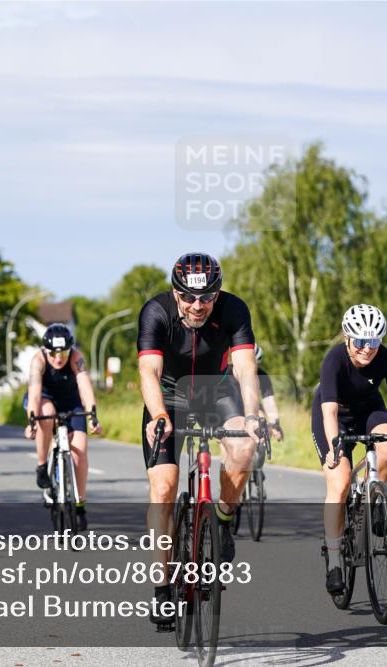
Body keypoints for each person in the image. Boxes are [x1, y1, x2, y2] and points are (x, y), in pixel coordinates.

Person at [138, 252, 262, 623]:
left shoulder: (234, 310)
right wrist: (158, 413)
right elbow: (149, 368)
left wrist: (253, 416)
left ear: (217, 294)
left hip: (216, 392)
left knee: (244, 447)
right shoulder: (156, 312)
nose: (197, 306)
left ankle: (223, 519)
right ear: (175, 293)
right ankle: (161, 588)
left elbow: (245, 367)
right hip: (170, 396)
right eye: (189, 298)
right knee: (163, 487)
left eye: (206, 297)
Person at [313, 304, 387, 595]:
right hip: (334, 415)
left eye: (373, 342)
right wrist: (335, 448)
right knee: (338, 484)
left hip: (369, 411)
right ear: (348, 338)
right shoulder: (334, 360)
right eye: (360, 342)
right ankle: (335, 559)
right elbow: (329, 414)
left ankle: (373, 495)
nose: (367, 349)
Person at [23, 323, 102, 531]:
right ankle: (42, 466)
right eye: (54, 353)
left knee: (80, 453)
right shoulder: (38, 361)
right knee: (46, 413)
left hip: (70, 401)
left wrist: (93, 416)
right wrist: (31, 420)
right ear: (46, 350)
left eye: (64, 352)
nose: (59, 358)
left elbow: (85, 387)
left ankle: (80, 505)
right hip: (45, 398)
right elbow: (34, 394)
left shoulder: (76, 358)